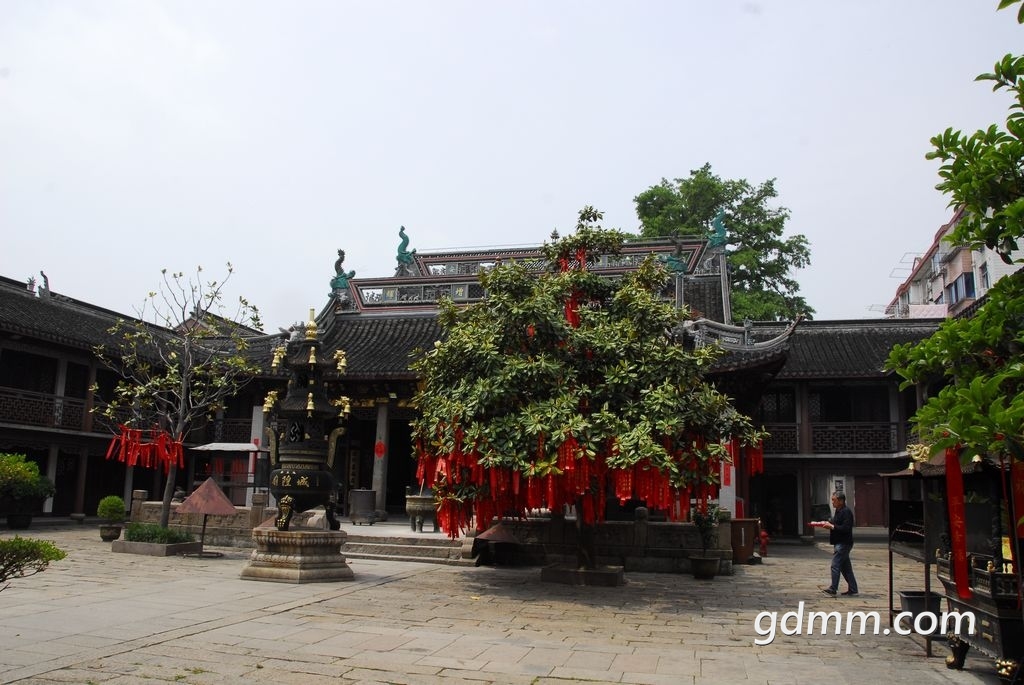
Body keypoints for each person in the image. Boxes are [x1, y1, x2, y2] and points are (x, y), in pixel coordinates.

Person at [819, 491, 858, 597]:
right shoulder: (838, 510)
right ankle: (853, 589)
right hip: (839, 542)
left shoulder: (846, 512)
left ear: (841, 501)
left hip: (844, 543)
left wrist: (832, 526)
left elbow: (846, 528)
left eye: (834, 500)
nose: (832, 502)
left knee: (835, 565)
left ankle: (833, 588)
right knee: (846, 568)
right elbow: (836, 523)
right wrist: (827, 523)